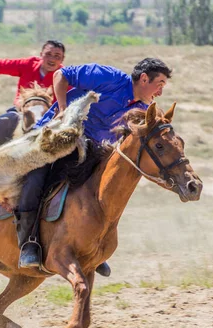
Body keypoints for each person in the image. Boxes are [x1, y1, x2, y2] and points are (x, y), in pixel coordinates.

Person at [15, 58, 173, 271]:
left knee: (103, 189)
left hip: (92, 149)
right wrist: (63, 109)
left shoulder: (143, 109)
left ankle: (90, 246)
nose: (160, 92)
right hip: (57, 136)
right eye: (160, 84)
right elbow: (60, 76)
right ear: (144, 78)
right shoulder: (110, 78)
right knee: (37, 180)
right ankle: (28, 244)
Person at [0, 40, 66, 165]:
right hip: (21, 112)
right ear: (41, 54)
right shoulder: (28, 65)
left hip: (49, 118)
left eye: (57, 56)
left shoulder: (64, 77)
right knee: (1, 122)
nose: (52, 59)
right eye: (48, 54)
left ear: (62, 59)